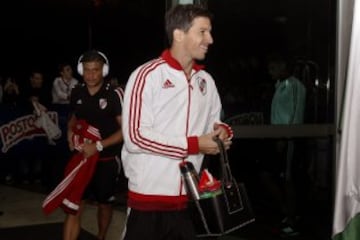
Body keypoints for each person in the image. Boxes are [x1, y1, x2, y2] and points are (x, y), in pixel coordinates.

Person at [120, 4, 233, 240]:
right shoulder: (147, 75)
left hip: (190, 202)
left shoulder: (206, 81)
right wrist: (194, 145)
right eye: (202, 32)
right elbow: (135, 137)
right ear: (179, 34)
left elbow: (215, 122)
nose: (210, 39)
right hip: (148, 202)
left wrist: (222, 132)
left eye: (210, 32)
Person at [63, 50, 123, 240]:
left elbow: (125, 131)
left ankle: (102, 237)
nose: (90, 75)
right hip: (82, 158)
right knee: (75, 205)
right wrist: (70, 132)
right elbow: (74, 117)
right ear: (81, 70)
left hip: (106, 159)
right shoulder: (76, 92)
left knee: (104, 203)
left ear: (103, 71)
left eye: (95, 70)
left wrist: (98, 146)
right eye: (87, 70)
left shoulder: (114, 94)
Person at [259, 53, 307, 237]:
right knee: (267, 175)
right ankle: (287, 212)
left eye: (272, 68)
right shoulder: (279, 85)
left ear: (282, 67)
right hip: (277, 138)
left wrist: (286, 138)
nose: (269, 72)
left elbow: (295, 114)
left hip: (288, 141)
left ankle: (292, 220)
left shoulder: (294, 85)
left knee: (288, 179)